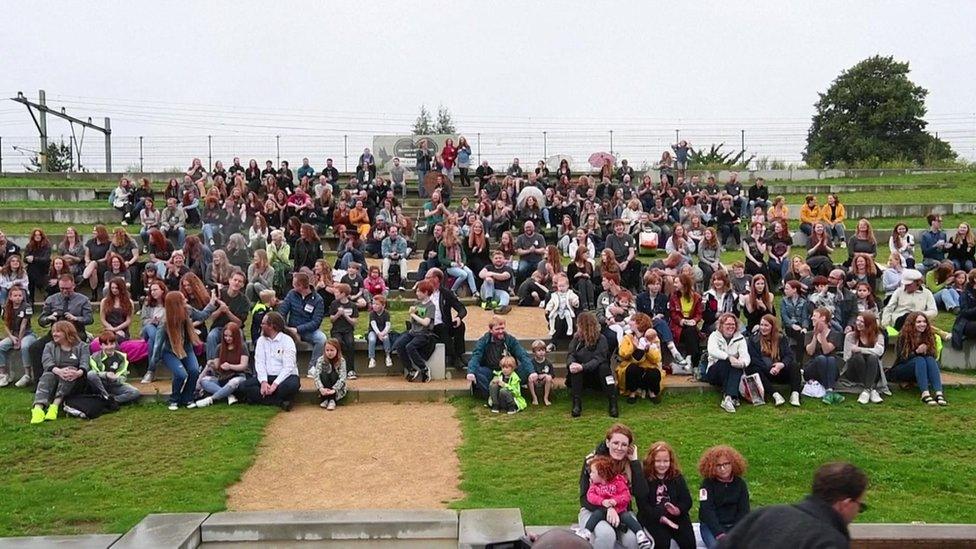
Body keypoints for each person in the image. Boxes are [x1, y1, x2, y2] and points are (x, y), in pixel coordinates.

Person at [720, 462, 868, 549]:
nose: (857, 512)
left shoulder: (767, 514)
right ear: (846, 504)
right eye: (860, 507)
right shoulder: (830, 542)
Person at [576, 424, 644, 549]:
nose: (619, 448)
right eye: (615, 443)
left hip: (623, 512)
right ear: (608, 443)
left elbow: (641, 494)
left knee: (632, 538)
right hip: (593, 511)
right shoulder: (592, 462)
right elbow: (584, 498)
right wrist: (608, 508)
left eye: (624, 445)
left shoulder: (630, 465)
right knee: (606, 534)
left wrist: (634, 462)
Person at [576, 454, 652, 548]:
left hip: (620, 510)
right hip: (602, 510)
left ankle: (640, 535)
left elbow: (626, 495)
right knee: (596, 516)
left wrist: (615, 501)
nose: (590, 474)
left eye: (592, 472)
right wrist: (602, 502)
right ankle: (586, 532)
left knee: (628, 518)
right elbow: (590, 496)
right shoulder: (595, 485)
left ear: (601, 474)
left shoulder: (618, 482)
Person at [158, 290, 217, 410]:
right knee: (181, 374)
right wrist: (152, 364)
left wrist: (212, 303)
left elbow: (202, 315)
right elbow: (158, 343)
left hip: (187, 348)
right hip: (170, 351)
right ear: (176, 304)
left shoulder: (188, 310)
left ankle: (187, 398)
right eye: (182, 299)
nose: (185, 300)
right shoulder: (165, 321)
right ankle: (174, 399)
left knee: (194, 371)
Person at [29, 275, 93, 380]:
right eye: (62, 288)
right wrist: (49, 318)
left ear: (73, 285)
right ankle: (40, 380)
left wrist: (76, 318)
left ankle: (76, 378)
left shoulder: (83, 300)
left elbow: (89, 319)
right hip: (55, 334)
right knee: (35, 348)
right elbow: (41, 321)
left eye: (67, 288)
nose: (64, 291)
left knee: (76, 349)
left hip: (76, 333)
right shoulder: (51, 299)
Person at [635, 441, 696, 549]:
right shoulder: (645, 478)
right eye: (658, 461)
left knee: (689, 542)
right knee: (662, 543)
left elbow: (687, 501)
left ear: (671, 461)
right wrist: (660, 517)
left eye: (666, 461)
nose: (662, 465)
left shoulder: (676, 477)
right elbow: (643, 505)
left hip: (676, 517)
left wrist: (678, 510)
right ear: (651, 461)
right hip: (653, 518)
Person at [29, 321, 90, 424]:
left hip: (76, 379)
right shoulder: (49, 346)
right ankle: (38, 409)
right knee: (47, 375)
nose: (54, 334)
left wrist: (78, 372)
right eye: (53, 331)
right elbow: (47, 362)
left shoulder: (82, 346)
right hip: (55, 374)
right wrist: (59, 371)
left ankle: (55, 406)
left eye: (58, 331)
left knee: (70, 370)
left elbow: (85, 363)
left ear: (67, 332)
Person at [888, 311, 948, 406]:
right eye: (918, 322)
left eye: (924, 322)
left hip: (921, 369)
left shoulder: (929, 335)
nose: (922, 324)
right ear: (912, 323)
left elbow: (933, 355)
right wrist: (916, 352)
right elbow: (902, 358)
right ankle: (925, 393)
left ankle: (939, 393)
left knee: (930, 359)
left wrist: (927, 350)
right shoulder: (904, 336)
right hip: (901, 369)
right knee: (919, 359)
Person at [243, 311, 300, 410]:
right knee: (243, 386)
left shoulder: (287, 340)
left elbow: (288, 367)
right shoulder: (261, 341)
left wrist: (274, 385)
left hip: (285, 377)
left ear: (272, 326)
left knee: (291, 386)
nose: (261, 326)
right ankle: (280, 402)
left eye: (263, 324)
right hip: (267, 376)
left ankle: (262, 398)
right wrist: (263, 382)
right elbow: (260, 363)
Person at [466, 315, 535, 396]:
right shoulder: (483, 341)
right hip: (490, 371)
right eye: (497, 329)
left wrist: (531, 372)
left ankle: (511, 390)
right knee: (476, 370)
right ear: (491, 330)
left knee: (527, 366)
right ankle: (492, 394)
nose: (500, 331)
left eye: (502, 328)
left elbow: (522, 355)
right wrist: (471, 372)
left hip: (509, 371)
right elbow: (476, 356)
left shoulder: (510, 340)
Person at [565, 312, 617, 418]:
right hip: (582, 376)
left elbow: (599, 358)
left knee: (604, 368)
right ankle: (576, 403)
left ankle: (613, 401)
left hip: (597, 375)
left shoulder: (601, 339)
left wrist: (583, 366)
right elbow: (571, 354)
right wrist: (571, 364)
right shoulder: (576, 339)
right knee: (575, 369)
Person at [698, 445, 750, 548]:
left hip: (734, 527)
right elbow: (707, 511)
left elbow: (744, 510)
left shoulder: (740, 484)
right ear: (712, 467)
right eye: (718, 465)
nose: (723, 468)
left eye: (726, 464)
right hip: (712, 528)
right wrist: (719, 533)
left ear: (733, 464)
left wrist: (736, 532)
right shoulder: (706, 485)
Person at [278, 272, 326, 376]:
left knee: (322, 339)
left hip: (309, 330)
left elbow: (316, 322)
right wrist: (285, 328)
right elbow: (282, 312)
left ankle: (313, 366)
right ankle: (287, 367)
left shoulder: (318, 300)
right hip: (290, 329)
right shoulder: (291, 294)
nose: (292, 286)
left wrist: (298, 329)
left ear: (300, 285)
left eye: (294, 284)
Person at [192, 321, 249, 408]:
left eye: (230, 336)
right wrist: (211, 364)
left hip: (238, 375)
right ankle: (228, 395)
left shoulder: (242, 347)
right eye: (225, 336)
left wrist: (230, 366)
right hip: (222, 377)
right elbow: (217, 366)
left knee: (234, 382)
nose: (228, 338)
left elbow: (243, 365)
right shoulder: (219, 347)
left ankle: (211, 399)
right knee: (204, 381)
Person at [615, 313, 665, 404]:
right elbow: (623, 354)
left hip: (648, 367)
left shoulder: (653, 338)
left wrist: (647, 348)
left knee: (653, 372)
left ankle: (652, 392)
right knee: (632, 369)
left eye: (633, 321)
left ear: (639, 323)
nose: (629, 323)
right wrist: (634, 347)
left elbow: (657, 358)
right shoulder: (627, 337)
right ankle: (632, 393)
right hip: (633, 367)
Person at [392, 280, 436, 382]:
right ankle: (410, 369)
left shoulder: (431, 306)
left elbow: (426, 323)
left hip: (424, 334)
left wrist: (413, 314)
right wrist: (412, 314)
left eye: (418, 291)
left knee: (410, 346)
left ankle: (424, 368)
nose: (417, 293)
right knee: (399, 345)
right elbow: (413, 321)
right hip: (413, 331)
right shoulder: (416, 303)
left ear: (425, 292)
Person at [841, 312, 887, 405]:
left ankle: (866, 390)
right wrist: (866, 351)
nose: (858, 323)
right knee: (857, 357)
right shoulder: (850, 336)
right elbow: (846, 357)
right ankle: (871, 389)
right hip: (854, 370)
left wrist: (860, 349)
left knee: (873, 357)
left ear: (869, 324)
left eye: (862, 321)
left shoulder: (878, 336)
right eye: (857, 320)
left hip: (873, 369)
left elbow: (879, 351)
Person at [426, 268, 468, 371]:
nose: (425, 279)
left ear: (436, 279)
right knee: (441, 327)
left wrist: (459, 317)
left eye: (428, 277)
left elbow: (462, 308)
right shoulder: (424, 292)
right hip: (430, 326)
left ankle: (459, 354)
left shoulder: (446, 293)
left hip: (444, 324)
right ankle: (454, 357)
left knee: (460, 326)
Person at [205, 270, 251, 360]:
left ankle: (240, 365)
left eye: (240, 281)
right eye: (235, 280)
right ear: (230, 280)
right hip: (218, 327)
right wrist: (220, 310)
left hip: (235, 329)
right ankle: (212, 366)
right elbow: (211, 318)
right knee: (211, 336)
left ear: (242, 285)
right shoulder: (219, 294)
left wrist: (227, 311)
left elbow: (239, 323)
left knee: (240, 336)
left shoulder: (245, 301)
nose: (237, 283)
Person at [86, 331, 141, 405]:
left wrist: (116, 379)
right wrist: (106, 375)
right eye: (106, 344)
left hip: (115, 384)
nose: (109, 347)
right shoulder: (94, 357)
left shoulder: (122, 357)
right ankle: (105, 396)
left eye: (111, 344)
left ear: (115, 344)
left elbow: (123, 375)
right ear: (101, 346)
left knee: (135, 392)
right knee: (91, 374)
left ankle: (110, 401)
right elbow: (94, 373)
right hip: (100, 384)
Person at [805, 307, 846, 405]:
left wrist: (822, 334)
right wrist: (815, 335)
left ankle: (829, 390)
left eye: (814, 316)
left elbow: (826, 350)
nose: (811, 318)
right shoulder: (809, 334)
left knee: (830, 358)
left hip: (831, 369)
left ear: (823, 318)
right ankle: (830, 391)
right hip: (813, 369)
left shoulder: (835, 334)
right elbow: (810, 352)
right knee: (821, 358)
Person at [0, 284, 35, 387]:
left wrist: (19, 341)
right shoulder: (6, 308)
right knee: (1, 346)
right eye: (15, 296)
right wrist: (11, 338)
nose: (18, 298)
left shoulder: (26, 307)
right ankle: (3, 374)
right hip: (13, 335)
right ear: (10, 297)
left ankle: (27, 375)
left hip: (27, 334)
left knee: (24, 346)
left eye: (20, 295)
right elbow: (5, 325)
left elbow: (23, 326)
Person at [328, 283, 359, 379]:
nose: (335, 294)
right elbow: (332, 319)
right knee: (338, 343)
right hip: (336, 330)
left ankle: (350, 370)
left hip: (348, 330)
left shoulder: (352, 305)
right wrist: (338, 314)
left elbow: (354, 322)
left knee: (350, 343)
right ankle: (338, 368)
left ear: (343, 294)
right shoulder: (334, 304)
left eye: (337, 292)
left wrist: (345, 315)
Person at [309, 338, 347, 410]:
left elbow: (343, 377)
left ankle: (332, 399)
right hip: (324, 386)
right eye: (327, 350)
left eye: (332, 350)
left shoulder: (342, 361)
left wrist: (334, 389)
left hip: (337, 388)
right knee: (323, 374)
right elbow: (316, 376)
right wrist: (321, 388)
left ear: (337, 350)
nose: (329, 353)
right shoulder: (320, 360)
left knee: (333, 375)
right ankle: (326, 399)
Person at [367, 295, 393, 369]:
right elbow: (373, 324)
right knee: (372, 340)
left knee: (386, 338)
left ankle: (388, 356)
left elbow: (388, 325)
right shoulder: (372, 314)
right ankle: (372, 358)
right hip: (373, 331)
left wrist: (383, 333)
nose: (374, 306)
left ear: (383, 305)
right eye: (373, 304)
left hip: (383, 332)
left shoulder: (386, 313)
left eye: (377, 304)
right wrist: (378, 333)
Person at [528, 339, 554, 406]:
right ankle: (534, 398)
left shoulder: (548, 362)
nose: (541, 352)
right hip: (535, 381)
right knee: (530, 378)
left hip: (544, 381)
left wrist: (545, 375)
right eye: (539, 350)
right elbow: (529, 372)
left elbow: (552, 375)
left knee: (549, 378)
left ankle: (546, 398)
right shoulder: (531, 362)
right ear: (534, 352)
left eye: (543, 350)